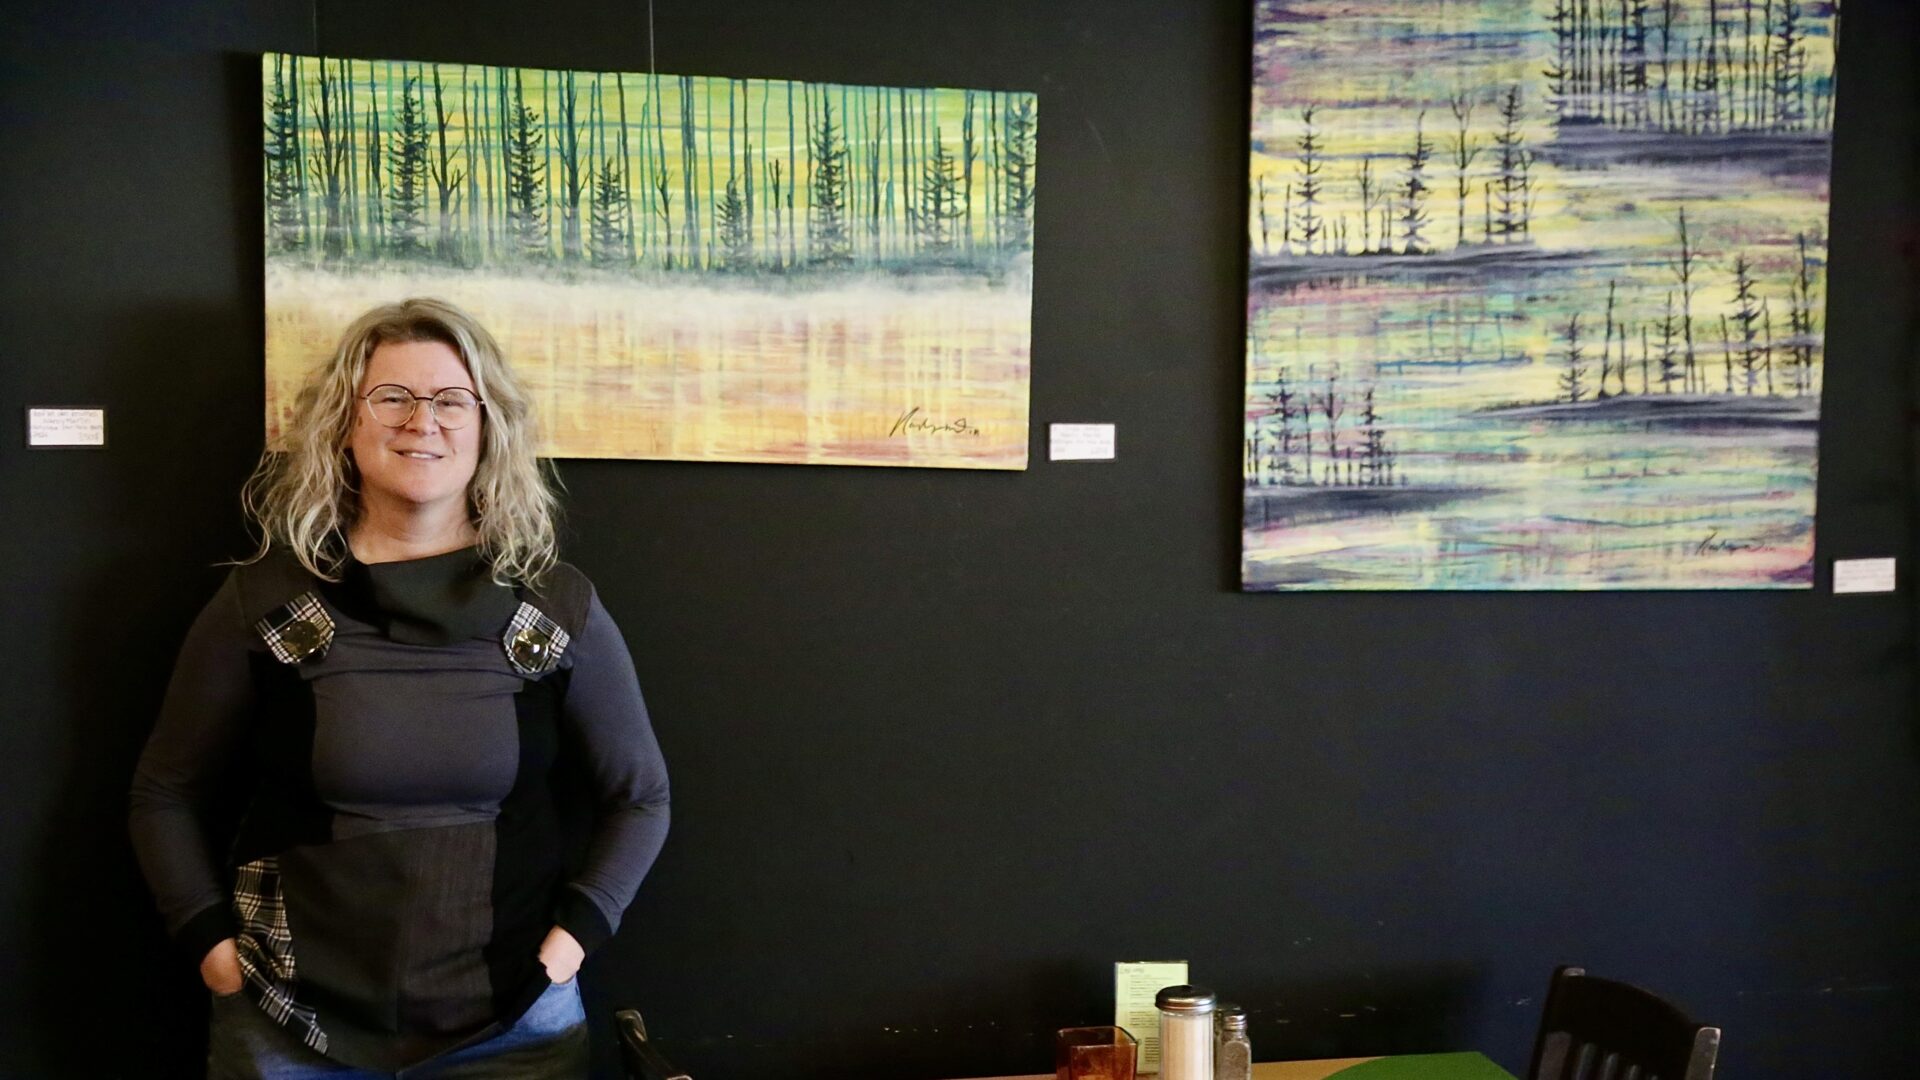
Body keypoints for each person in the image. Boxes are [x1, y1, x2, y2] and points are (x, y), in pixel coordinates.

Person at [129, 297, 671, 1078]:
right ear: (346, 423)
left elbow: (641, 795)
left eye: (452, 400)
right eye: (392, 397)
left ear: (487, 427)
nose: (424, 422)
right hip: (288, 1025)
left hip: (513, 1028)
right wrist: (212, 949)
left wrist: (571, 944)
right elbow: (165, 792)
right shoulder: (268, 600)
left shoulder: (553, 606)